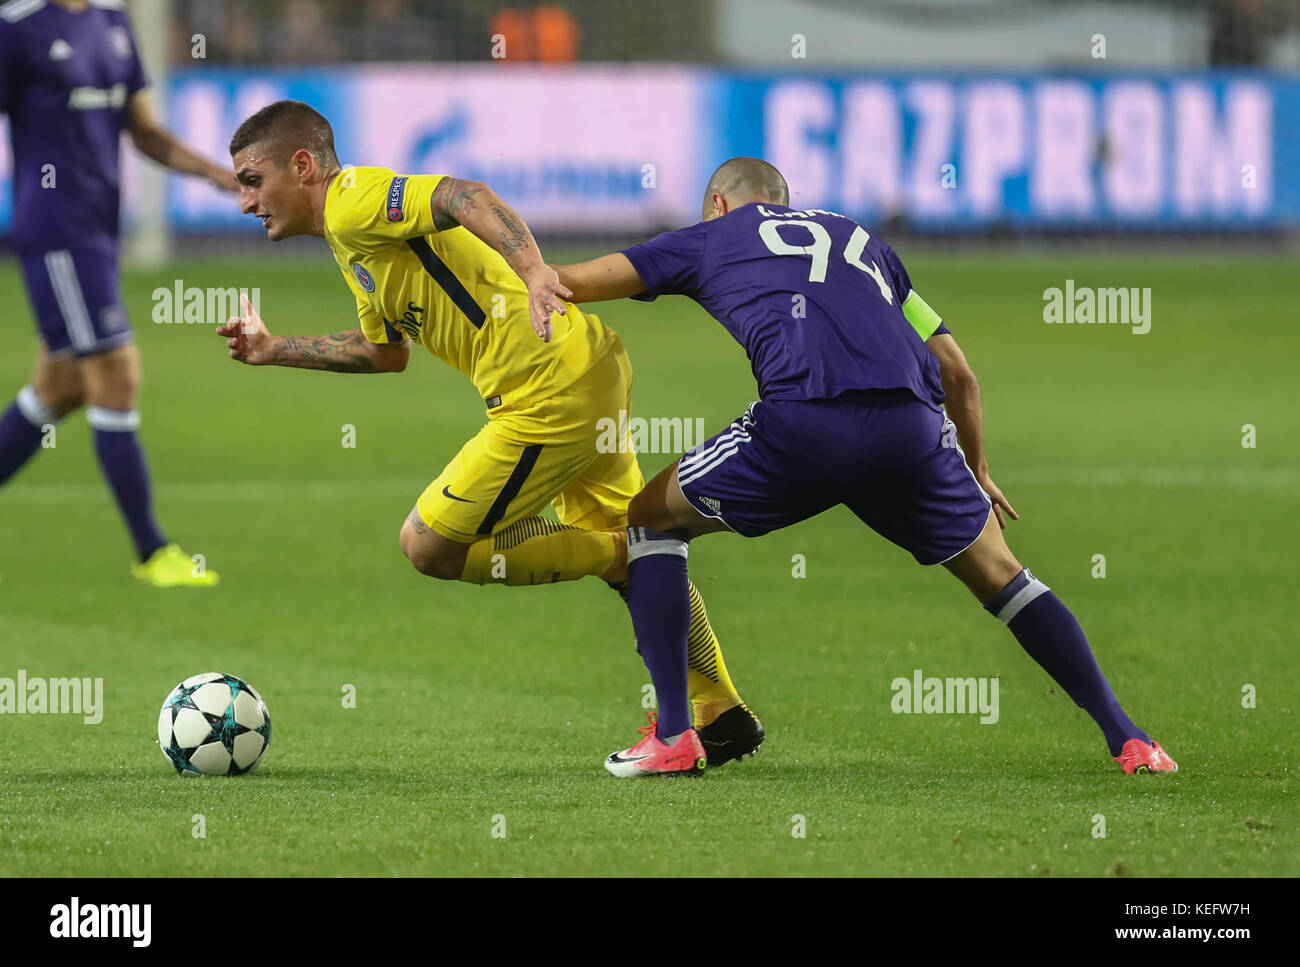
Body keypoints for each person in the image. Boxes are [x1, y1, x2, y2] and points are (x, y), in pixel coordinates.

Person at [552, 157, 1178, 778]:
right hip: (912, 430)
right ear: (786, 202)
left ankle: (673, 734)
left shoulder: (711, 236)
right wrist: (976, 467)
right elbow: (958, 372)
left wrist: (517, 268)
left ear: (717, 203)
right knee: (1003, 576)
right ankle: (1130, 740)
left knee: (651, 519)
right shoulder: (862, 242)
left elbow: (573, 283)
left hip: (805, 422)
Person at [216, 101, 763, 763]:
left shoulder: (356, 200)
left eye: (252, 180)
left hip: (546, 393)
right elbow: (384, 350)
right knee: (638, 539)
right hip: (584, 370)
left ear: (302, 166)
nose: (245, 201)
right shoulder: (350, 241)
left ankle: (619, 553)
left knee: (429, 543)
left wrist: (536, 271)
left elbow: (462, 194)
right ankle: (720, 711)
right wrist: (276, 349)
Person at [0, 0, 237, 586]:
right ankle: (153, 552)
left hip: (99, 231)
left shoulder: (111, 22)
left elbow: (146, 132)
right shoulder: (18, 27)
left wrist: (215, 175)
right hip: (56, 231)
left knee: (58, 390)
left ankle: (152, 552)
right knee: (116, 372)